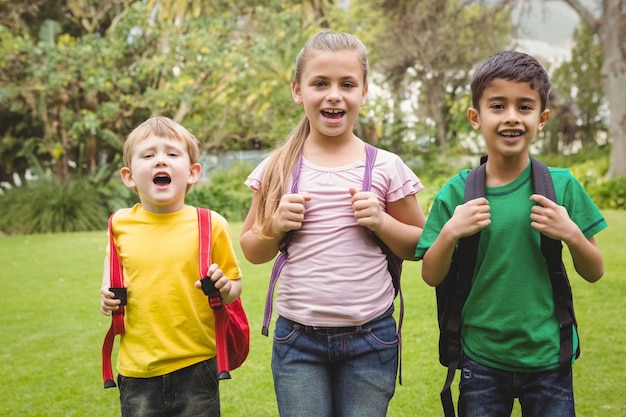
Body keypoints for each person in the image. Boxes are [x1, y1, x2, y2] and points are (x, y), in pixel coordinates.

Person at [239, 29, 426, 417]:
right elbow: (252, 249)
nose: (333, 94)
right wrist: (274, 227)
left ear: (364, 92)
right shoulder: (278, 166)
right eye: (320, 83)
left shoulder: (386, 166)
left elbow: (419, 245)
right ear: (297, 90)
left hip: (371, 338)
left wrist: (381, 221)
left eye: (347, 84)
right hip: (297, 341)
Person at [415, 51, 607, 417]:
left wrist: (571, 233)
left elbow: (594, 270)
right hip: (481, 359)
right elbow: (430, 275)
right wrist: (450, 232)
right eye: (498, 105)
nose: (511, 118)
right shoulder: (456, 192)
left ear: (542, 118)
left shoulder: (562, 186)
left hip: (549, 356)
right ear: (476, 117)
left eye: (525, 107)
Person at [100, 116, 242, 417]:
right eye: (148, 155)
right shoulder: (119, 224)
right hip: (137, 368)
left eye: (172, 154)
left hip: (197, 364)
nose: (160, 161)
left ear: (192, 172)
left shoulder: (210, 224)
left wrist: (225, 287)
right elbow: (112, 272)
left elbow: (234, 288)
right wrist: (106, 296)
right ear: (129, 176)